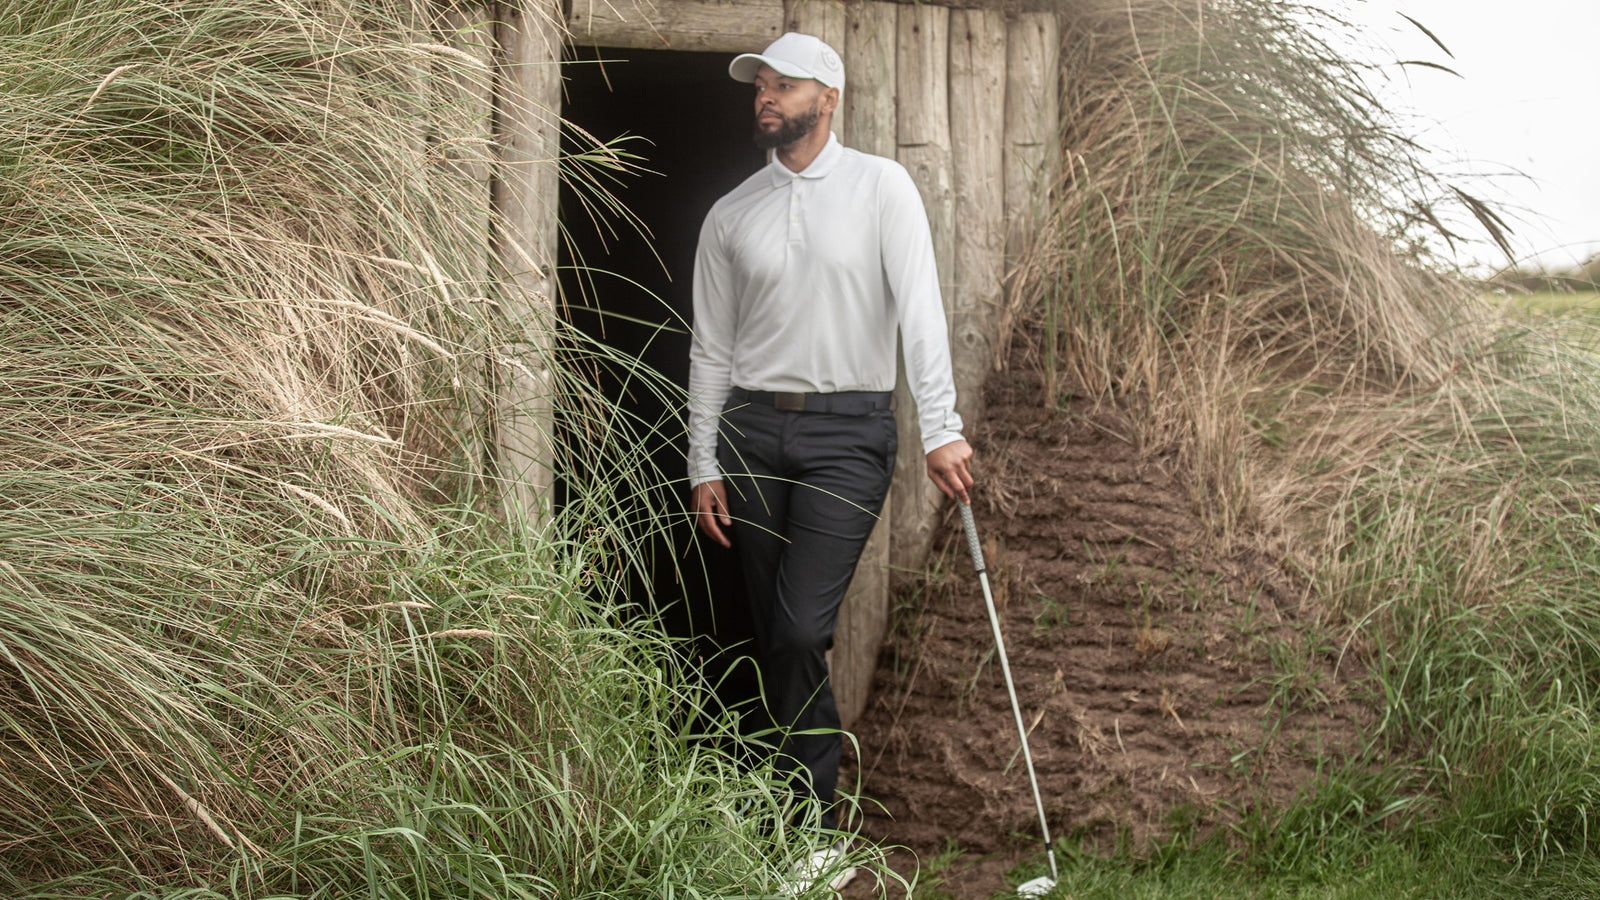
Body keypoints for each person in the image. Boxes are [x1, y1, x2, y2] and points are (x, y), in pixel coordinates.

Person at [686, 31, 974, 891]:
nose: (766, 96)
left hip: (849, 436)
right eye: (760, 86)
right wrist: (703, 459)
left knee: (801, 630)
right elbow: (710, 350)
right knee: (774, 636)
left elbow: (920, 311)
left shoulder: (883, 187)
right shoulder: (731, 213)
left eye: (784, 85)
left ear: (830, 97)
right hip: (750, 435)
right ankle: (790, 829)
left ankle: (809, 831)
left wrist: (941, 428)